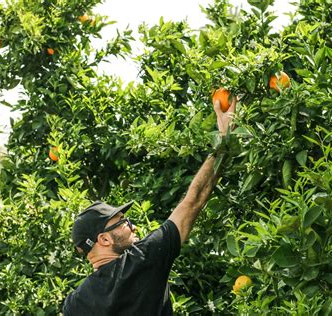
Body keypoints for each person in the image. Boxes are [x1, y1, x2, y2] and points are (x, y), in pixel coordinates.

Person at [62, 97, 237, 315]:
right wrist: (224, 140)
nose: (133, 226)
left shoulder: (75, 304)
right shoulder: (142, 260)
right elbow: (194, 200)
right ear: (104, 239)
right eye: (123, 222)